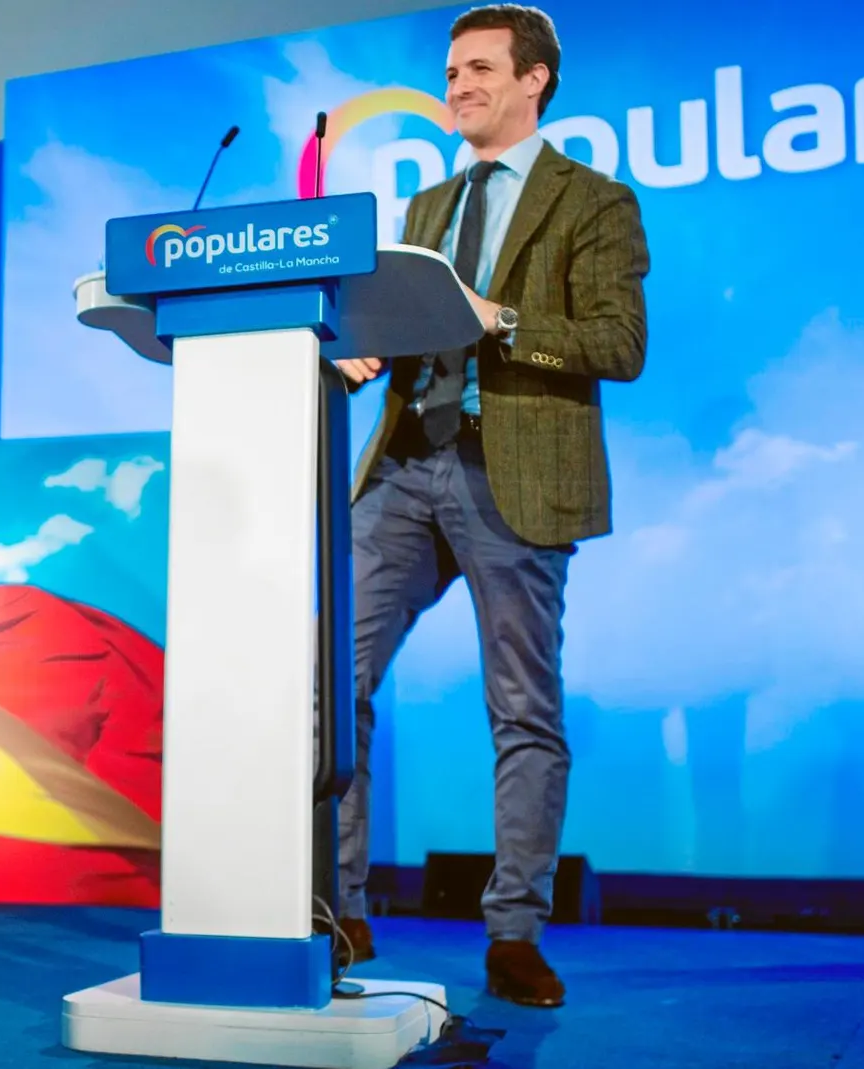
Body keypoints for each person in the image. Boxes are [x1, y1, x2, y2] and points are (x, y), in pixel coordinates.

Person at [327, 3, 649, 1008]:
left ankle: (514, 932)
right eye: (451, 72)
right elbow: (403, 325)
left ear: (533, 80)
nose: (456, 87)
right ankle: (335, 912)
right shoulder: (424, 208)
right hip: (400, 471)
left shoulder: (593, 200)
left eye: (475, 70)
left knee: (522, 711)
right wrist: (359, 345)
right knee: (330, 688)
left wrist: (497, 318)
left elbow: (617, 344)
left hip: (514, 476)